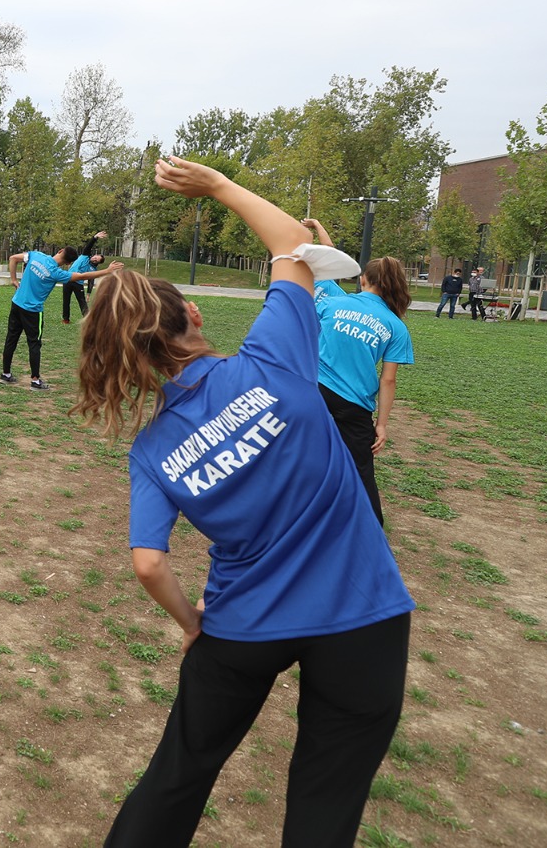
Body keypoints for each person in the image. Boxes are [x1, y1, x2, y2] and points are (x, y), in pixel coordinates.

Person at [75, 156, 414, 848]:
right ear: (194, 315)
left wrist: (189, 624)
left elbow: (147, 563)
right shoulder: (275, 356)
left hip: (241, 625)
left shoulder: (151, 450)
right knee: (325, 802)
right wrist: (219, 187)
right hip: (362, 614)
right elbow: (289, 243)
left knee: (177, 777)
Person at [301, 220, 415, 526]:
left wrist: (316, 227)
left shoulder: (332, 303)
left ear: (362, 279)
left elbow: (327, 258)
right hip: (355, 407)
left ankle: (288, 522)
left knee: (301, 459)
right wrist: (382, 425)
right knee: (361, 471)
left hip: (315, 393)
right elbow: (388, 379)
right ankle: (370, 535)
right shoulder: (396, 326)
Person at [4, 245, 121, 389]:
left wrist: (14, 280)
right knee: (34, 344)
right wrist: (107, 271)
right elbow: (82, 276)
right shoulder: (57, 273)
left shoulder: (36, 255)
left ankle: (6, 374)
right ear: (68, 264)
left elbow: (13, 258)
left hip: (16, 304)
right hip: (33, 312)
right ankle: (35, 381)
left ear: (60, 251)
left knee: (11, 338)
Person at [61, 230, 109, 323]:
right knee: (66, 300)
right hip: (68, 279)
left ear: (98, 263)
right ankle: (66, 319)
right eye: (95, 257)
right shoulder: (85, 256)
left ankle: (88, 319)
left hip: (78, 283)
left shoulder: (93, 269)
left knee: (82, 302)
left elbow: (91, 281)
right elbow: (89, 246)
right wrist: (95, 237)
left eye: (97, 260)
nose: (94, 259)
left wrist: (88, 294)